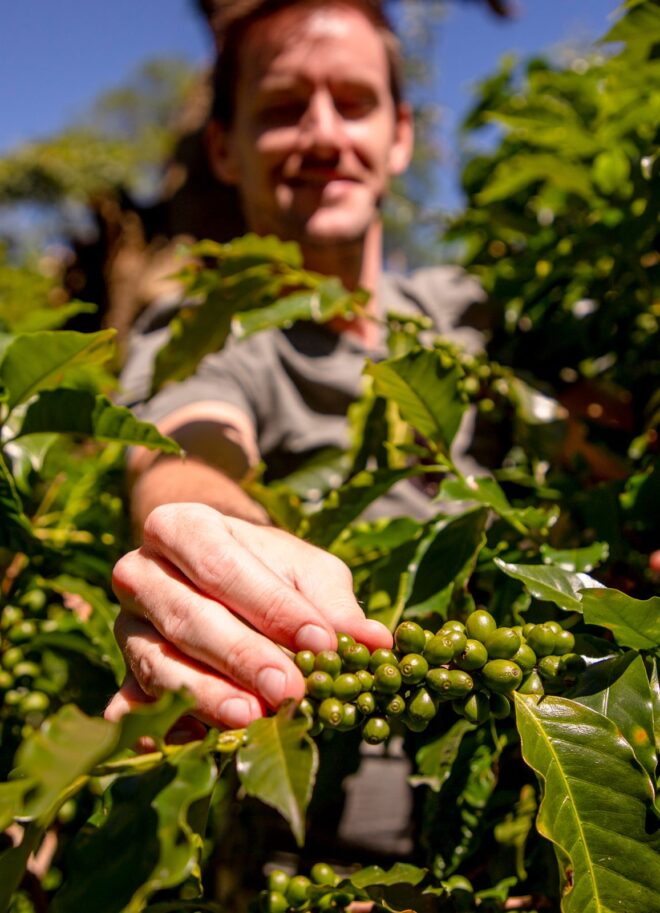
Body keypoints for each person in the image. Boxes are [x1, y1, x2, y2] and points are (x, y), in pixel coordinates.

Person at [106, 0, 488, 740]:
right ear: (223, 147)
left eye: (354, 103)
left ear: (400, 134)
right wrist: (213, 534)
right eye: (283, 108)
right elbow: (185, 439)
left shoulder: (477, 317)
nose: (323, 135)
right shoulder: (204, 330)